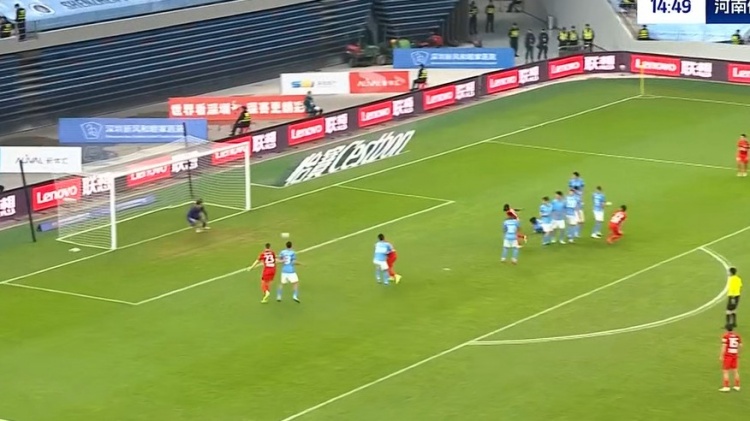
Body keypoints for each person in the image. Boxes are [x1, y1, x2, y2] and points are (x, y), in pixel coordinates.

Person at [719, 324, 742, 392]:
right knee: (735, 370)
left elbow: (724, 346)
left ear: (726, 329)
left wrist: (721, 355)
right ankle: (737, 386)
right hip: (734, 355)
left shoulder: (725, 336)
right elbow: (740, 345)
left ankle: (726, 387)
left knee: (725, 371)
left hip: (728, 355)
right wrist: (738, 353)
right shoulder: (737, 336)